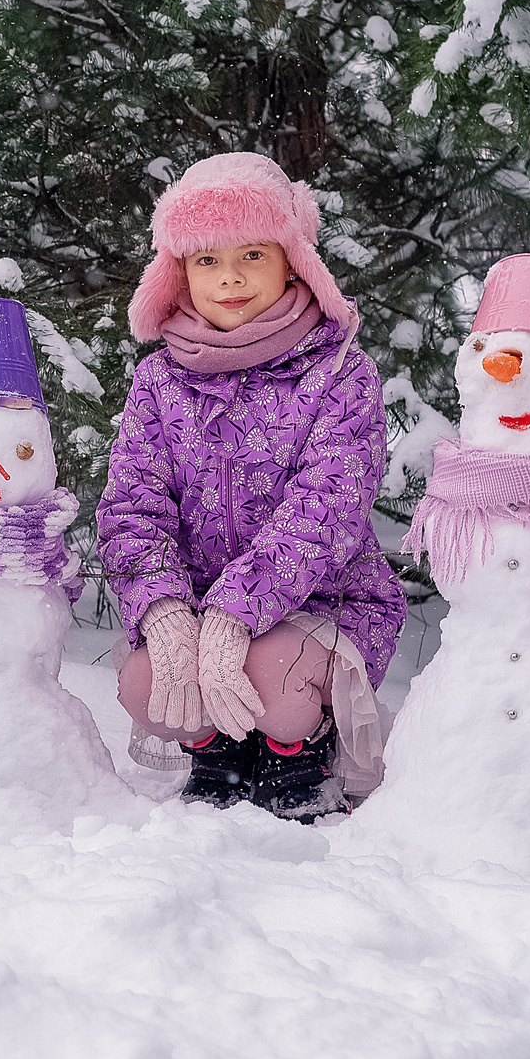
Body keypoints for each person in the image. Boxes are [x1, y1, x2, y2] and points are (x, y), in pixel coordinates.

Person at [96, 152, 407, 818]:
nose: (229, 278)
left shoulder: (339, 371)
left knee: (271, 672)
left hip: (326, 604)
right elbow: (134, 509)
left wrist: (237, 611)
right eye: (206, 260)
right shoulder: (159, 380)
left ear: (292, 259)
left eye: (253, 255)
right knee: (149, 681)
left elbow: (326, 509)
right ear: (178, 270)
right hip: (199, 606)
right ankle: (219, 750)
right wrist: (167, 613)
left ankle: (302, 749)